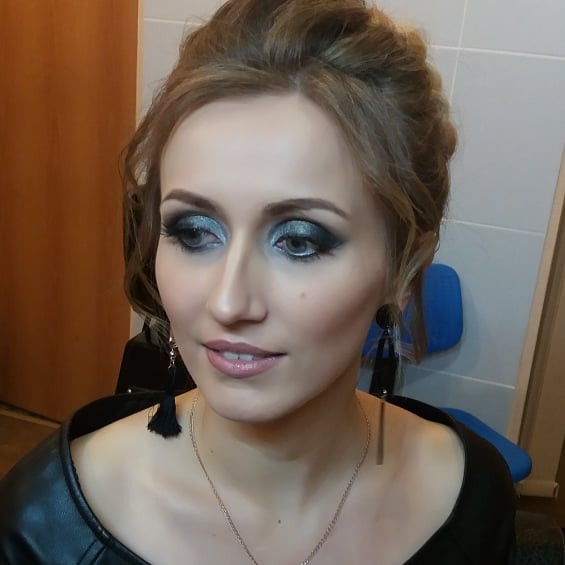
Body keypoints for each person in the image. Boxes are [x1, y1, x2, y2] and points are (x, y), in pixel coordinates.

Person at [0, 1, 516, 563]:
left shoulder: (472, 493)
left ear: (405, 264)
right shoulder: (43, 525)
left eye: (299, 240)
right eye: (194, 232)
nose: (228, 302)